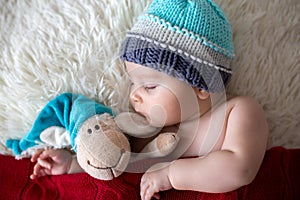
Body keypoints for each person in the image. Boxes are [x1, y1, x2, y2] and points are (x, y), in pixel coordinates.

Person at [30, 0, 269, 200]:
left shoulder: (238, 111)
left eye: (150, 86)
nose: (134, 95)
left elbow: (240, 168)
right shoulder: (152, 130)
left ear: (201, 86)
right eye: (134, 83)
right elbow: (116, 162)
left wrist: (170, 175)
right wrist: (70, 164)